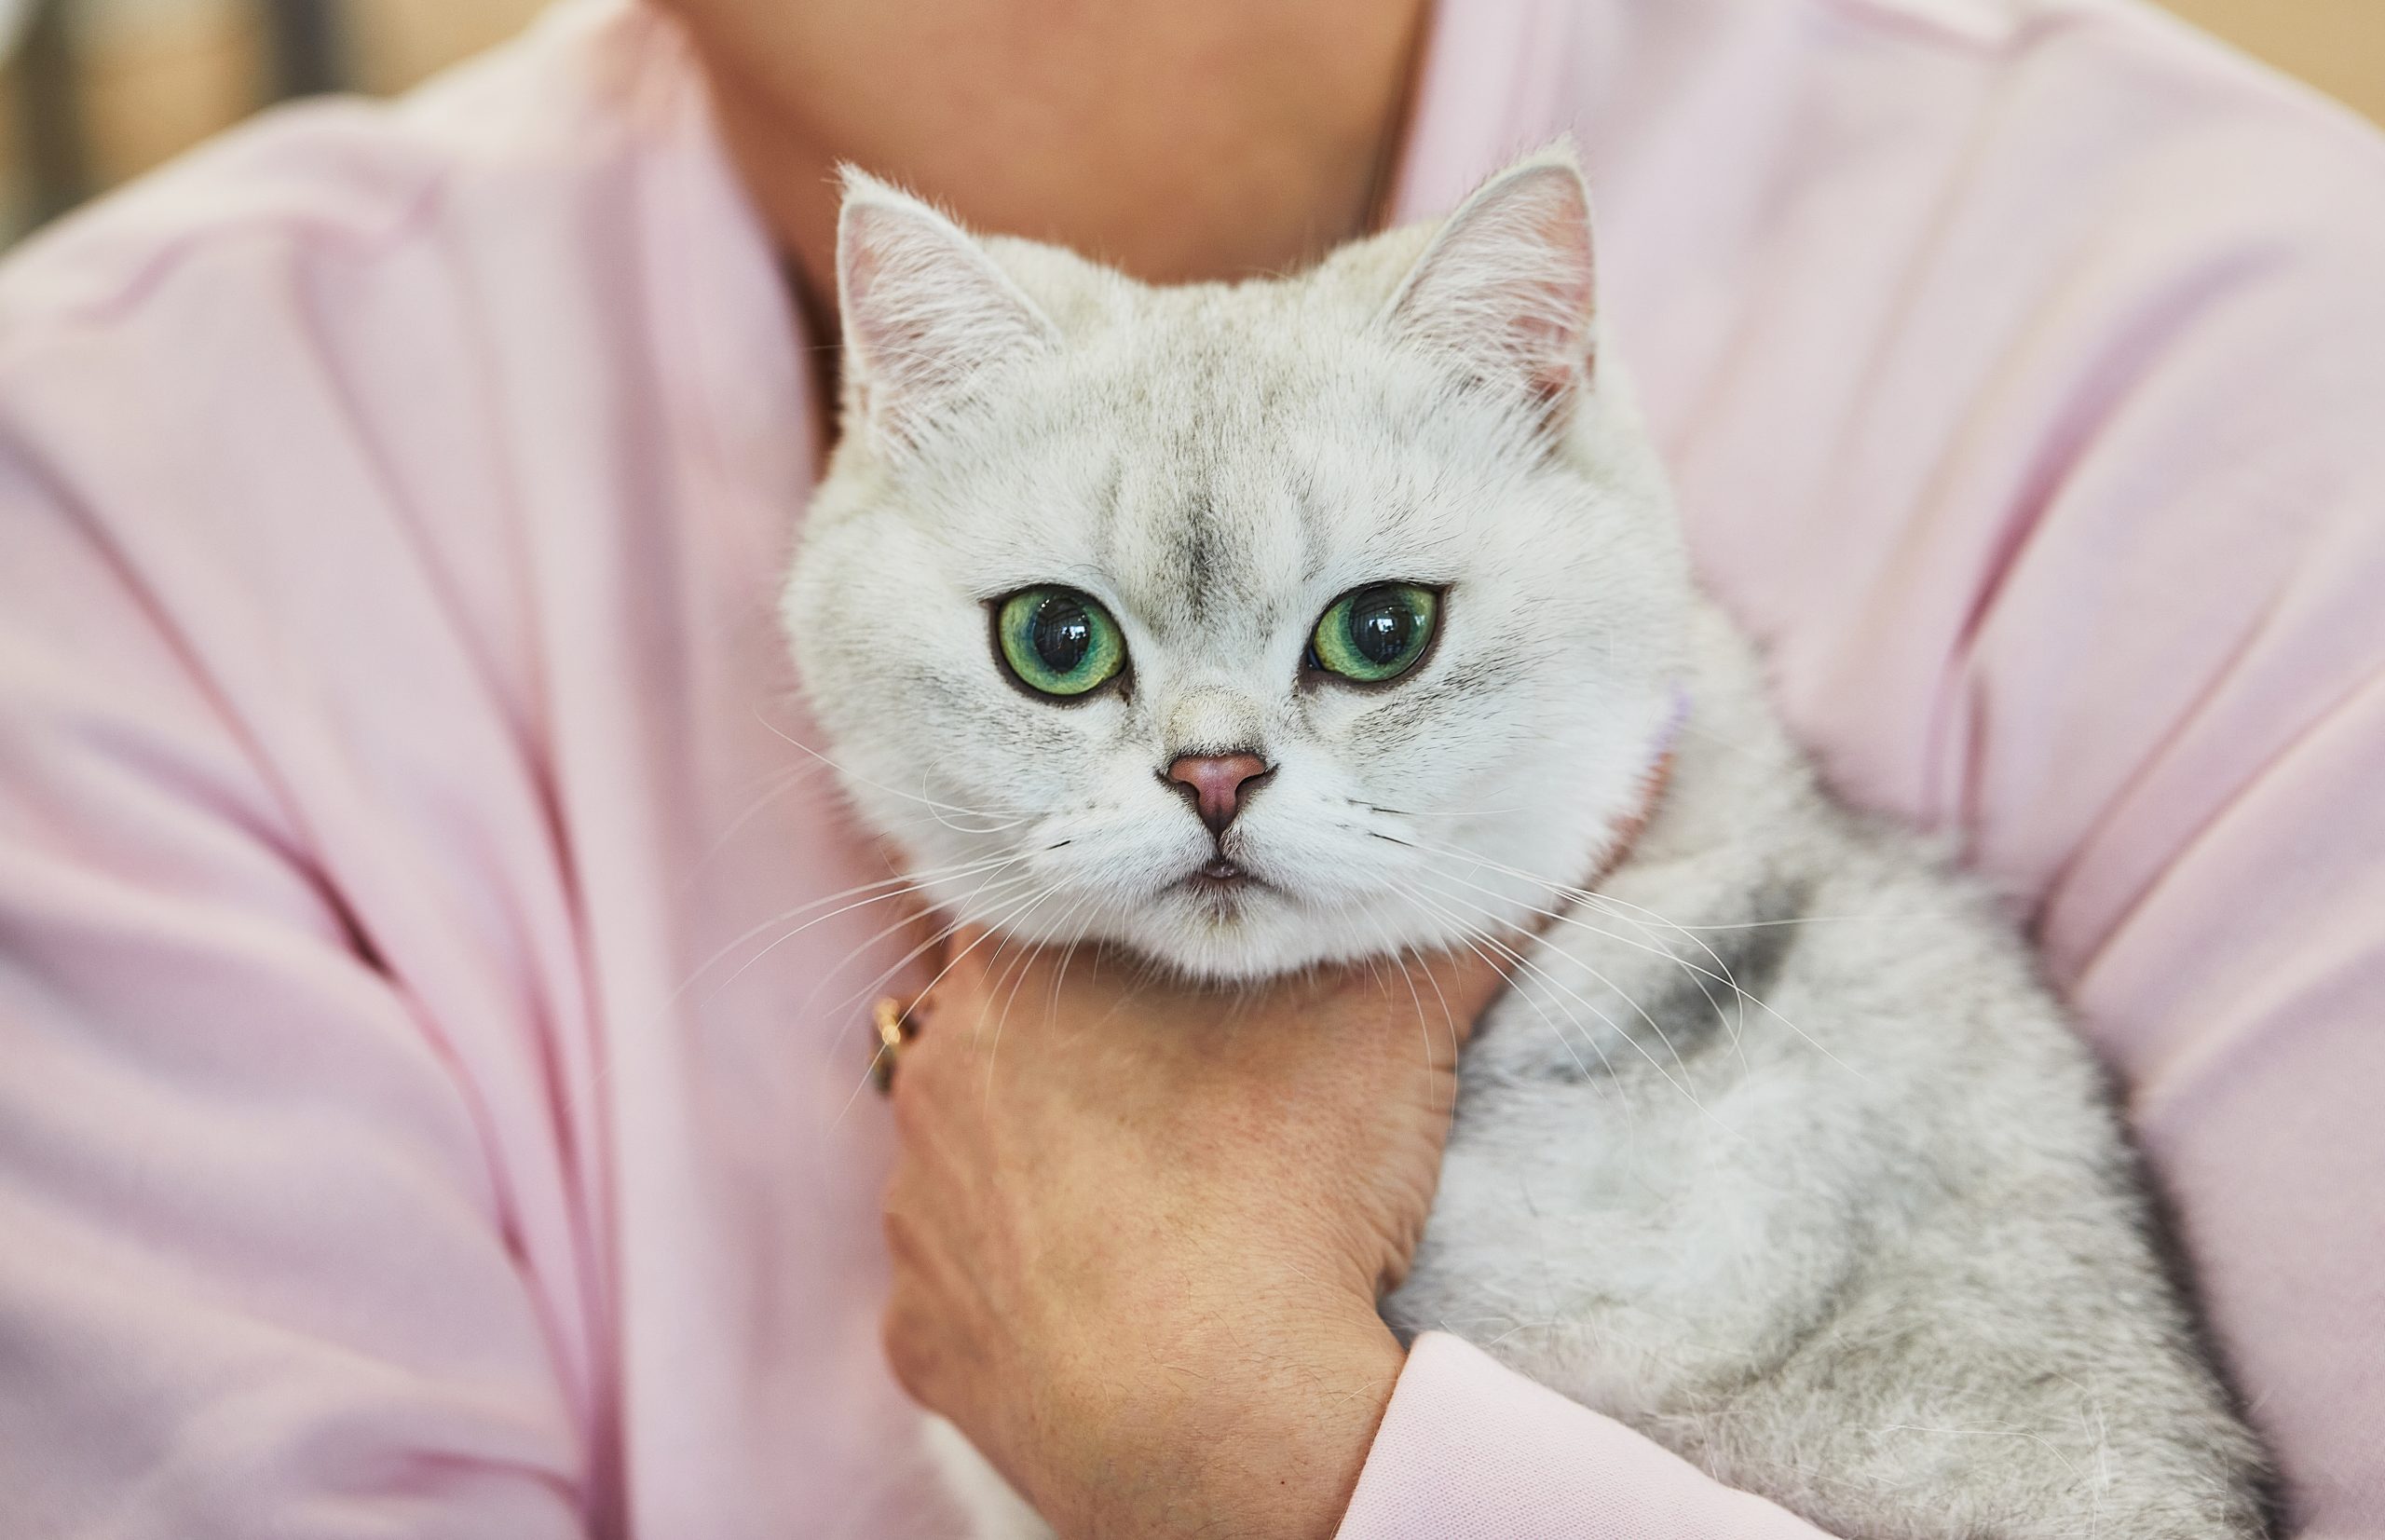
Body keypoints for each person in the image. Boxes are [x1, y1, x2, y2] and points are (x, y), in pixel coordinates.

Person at [1, 0, 2379, 1534]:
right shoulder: (100, 480)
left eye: (1369, 638)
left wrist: (1254, 1446)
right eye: (1060, 644)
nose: (1221, 773)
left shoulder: (2253, 321)